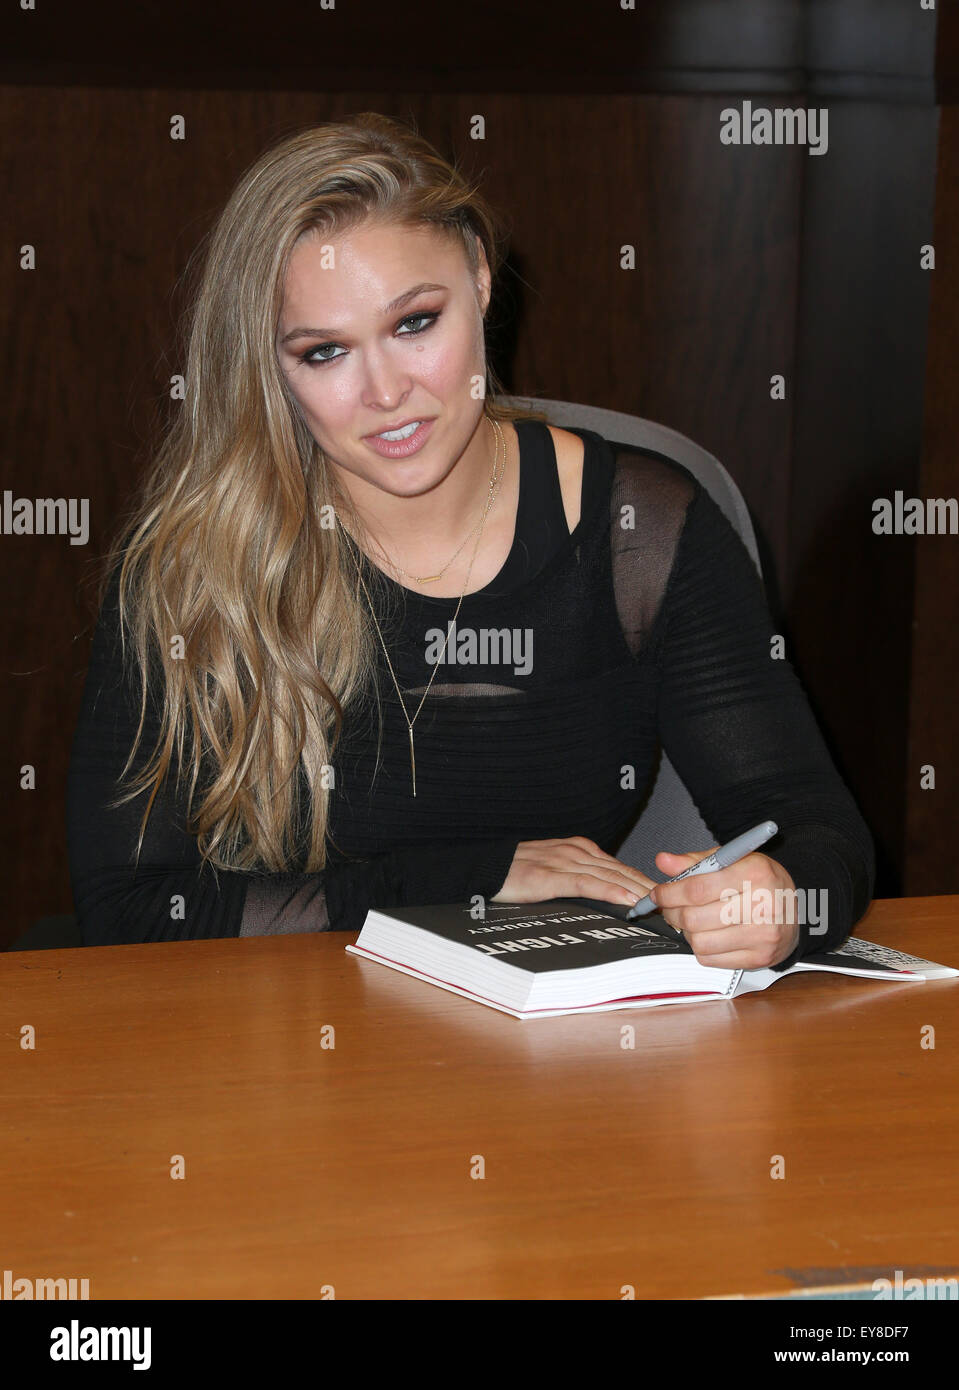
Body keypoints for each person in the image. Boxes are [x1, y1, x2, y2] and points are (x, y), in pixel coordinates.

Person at [66, 112, 875, 971]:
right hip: (286, 1052)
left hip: (559, 1061)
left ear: (481, 282)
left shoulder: (641, 530)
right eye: (324, 352)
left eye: (415, 323)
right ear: (270, 369)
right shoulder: (195, 565)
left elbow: (821, 834)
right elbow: (131, 910)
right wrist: (478, 876)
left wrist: (779, 903)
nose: (385, 392)